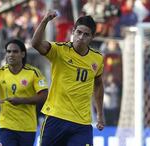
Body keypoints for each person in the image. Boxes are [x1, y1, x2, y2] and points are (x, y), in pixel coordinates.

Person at [31, 12, 105, 146]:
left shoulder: (97, 59)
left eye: (86, 34)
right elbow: (35, 44)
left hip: (81, 123)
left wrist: (100, 114)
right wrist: (45, 21)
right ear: (73, 31)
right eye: (79, 32)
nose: (81, 37)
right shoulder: (59, 50)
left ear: (92, 37)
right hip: (56, 118)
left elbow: (98, 84)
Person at [0, 39, 49, 146]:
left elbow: (44, 95)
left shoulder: (33, 73)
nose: (11, 55)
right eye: (8, 52)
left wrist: (22, 100)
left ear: (22, 54)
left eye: (15, 52)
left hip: (27, 127)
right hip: (6, 126)